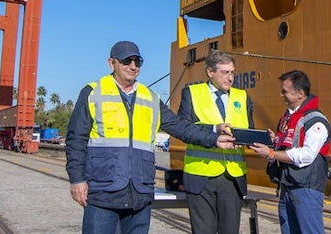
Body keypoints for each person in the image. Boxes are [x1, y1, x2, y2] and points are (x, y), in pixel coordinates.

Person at [66, 41, 235, 234]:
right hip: (103, 192)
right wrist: (77, 179)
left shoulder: (151, 98)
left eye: (137, 61)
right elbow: (75, 140)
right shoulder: (93, 92)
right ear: (111, 63)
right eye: (126, 61)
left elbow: (180, 127)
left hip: (140, 192)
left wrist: (213, 138)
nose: (133, 66)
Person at [177, 50, 253, 234]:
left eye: (232, 72)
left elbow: (248, 131)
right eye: (225, 72)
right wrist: (213, 129)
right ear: (210, 72)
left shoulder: (242, 97)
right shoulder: (191, 93)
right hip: (200, 175)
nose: (231, 78)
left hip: (232, 177)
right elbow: (183, 129)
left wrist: (263, 139)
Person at [248, 70, 331, 234]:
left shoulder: (315, 121)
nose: (281, 95)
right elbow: (290, 144)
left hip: (305, 188)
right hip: (288, 186)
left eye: (284, 91)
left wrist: (271, 153)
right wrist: (275, 141)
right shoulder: (288, 117)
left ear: (300, 94)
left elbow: (306, 155)